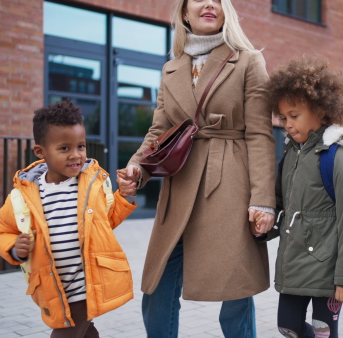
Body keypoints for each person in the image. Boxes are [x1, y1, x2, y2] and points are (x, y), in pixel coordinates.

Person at [118, 0, 276, 336]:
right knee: (156, 289)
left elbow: (261, 136)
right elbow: (159, 131)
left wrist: (263, 199)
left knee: (235, 291)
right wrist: (137, 169)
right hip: (180, 185)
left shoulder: (248, 61)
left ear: (225, 10)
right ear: (185, 13)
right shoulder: (172, 68)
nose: (208, 4)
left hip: (230, 184)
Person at [251, 55, 343, 337]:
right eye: (283, 118)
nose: (287, 124)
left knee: (323, 332)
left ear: (321, 111)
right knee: (288, 327)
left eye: (294, 116)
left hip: (329, 270)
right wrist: (265, 225)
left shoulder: (340, 156)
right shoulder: (291, 154)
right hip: (294, 265)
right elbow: (281, 203)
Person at [0, 99, 137, 338]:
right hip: (54, 285)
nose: (76, 155)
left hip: (86, 283)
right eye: (64, 148)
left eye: (81, 146)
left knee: (66, 332)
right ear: (41, 151)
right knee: (86, 332)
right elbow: (3, 232)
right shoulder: (24, 196)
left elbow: (106, 222)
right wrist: (14, 248)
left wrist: (125, 197)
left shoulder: (92, 184)